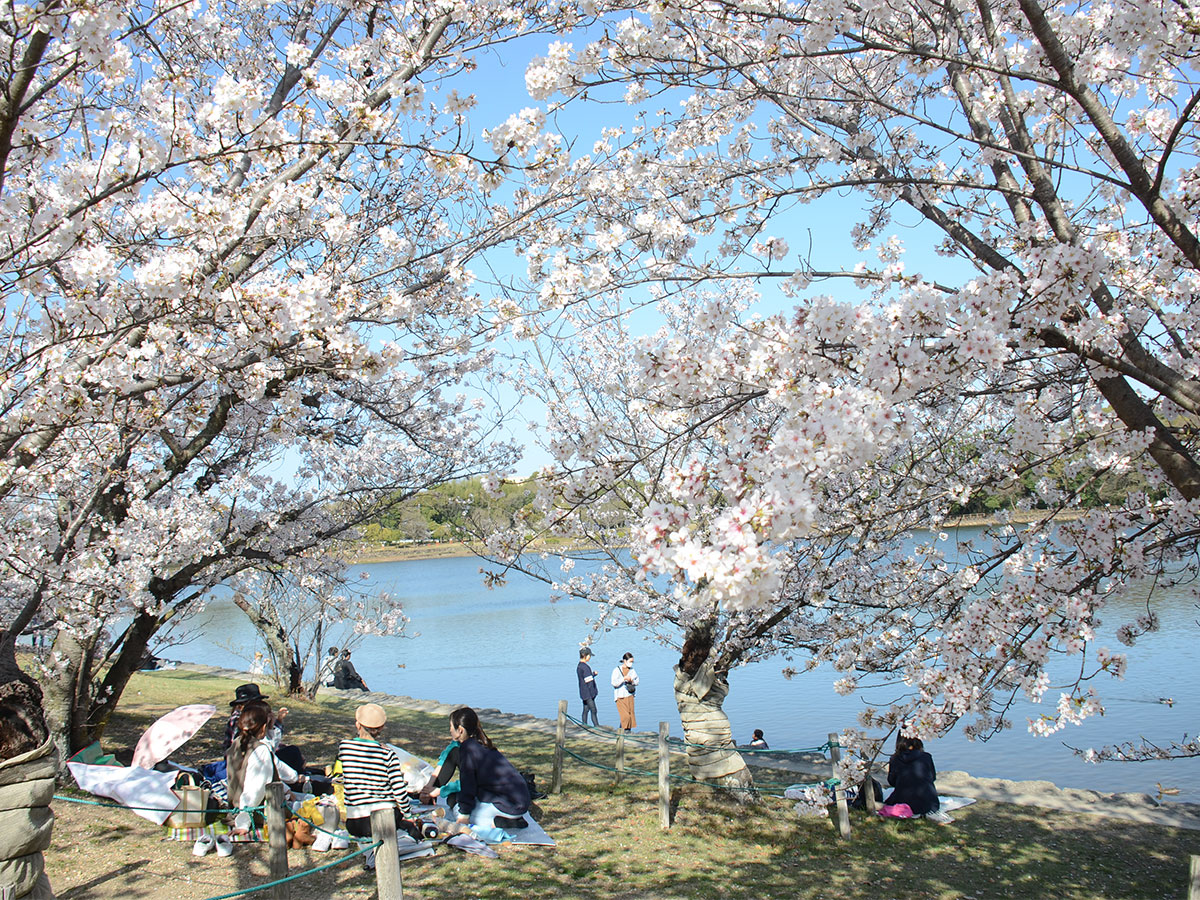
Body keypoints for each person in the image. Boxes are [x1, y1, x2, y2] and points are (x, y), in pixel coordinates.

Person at [336, 703, 429, 843]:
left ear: (358, 724)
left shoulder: (345, 748)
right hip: (383, 820)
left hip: (354, 822)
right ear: (381, 728)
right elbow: (398, 791)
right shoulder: (387, 754)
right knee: (404, 821)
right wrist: (408, 815)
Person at [447, 706, 531, 831]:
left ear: (460, 730)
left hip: (508, 805)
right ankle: (509, 819)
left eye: (450, 727)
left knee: (456, 807)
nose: (449, 730)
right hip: (520, 802)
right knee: (457, 799)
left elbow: (468, 783)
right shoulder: (481, 744)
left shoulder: (468, 749)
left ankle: (503, 822)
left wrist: (464, 814)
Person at [226, 700, 299, 836]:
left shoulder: (236, 743)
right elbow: (255, 790)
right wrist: (243, 822)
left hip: (236, 806)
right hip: (261, 813)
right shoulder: (260, 750)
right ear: (264, 727)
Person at [884, 734, 942, 818]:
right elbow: (932, 777)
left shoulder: (895, 759)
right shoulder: (927, 757)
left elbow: (892, 782)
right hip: (929, 804)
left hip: (903, 803)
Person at [223, 683, 288, 750]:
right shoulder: (238, 719)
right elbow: (247, 745)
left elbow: (273, 736)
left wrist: (278, 719)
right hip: (245, 755)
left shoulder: (259, 715)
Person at [611, 652, 638, 731]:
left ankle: (627, 732)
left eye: (632, 662)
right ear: (624, 661)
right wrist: (623, 679)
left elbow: (637, 681)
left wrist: (631, 680)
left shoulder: (632, 670)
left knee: (630, 716)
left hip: (629, 695)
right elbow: (614, 683)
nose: (631, 664)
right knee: (625, 716)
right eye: (630, 661)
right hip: (620, 696)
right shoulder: (617, 670)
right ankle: (621, 733)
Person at [576, 647, 600, 726]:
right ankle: (597, 726)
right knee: (594, 710)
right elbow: (588, 681)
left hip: (583, 692)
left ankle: (584, 725)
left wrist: (592, 674)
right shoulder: (585, 667)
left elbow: (585, 678)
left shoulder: (579, 666)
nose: (590, 657)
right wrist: (593, 674)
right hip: (588, 693)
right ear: (585, 655)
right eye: (589, 655)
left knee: (586, 709)